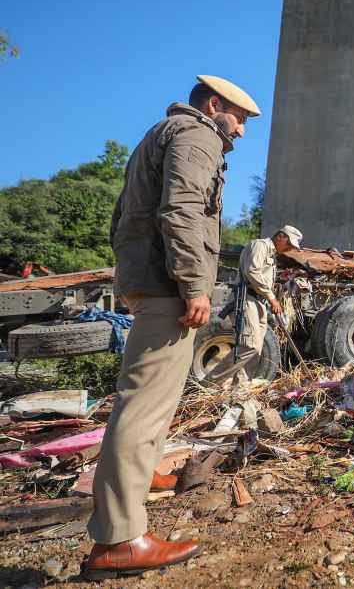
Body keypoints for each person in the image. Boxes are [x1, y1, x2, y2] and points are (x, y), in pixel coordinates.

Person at [84, 75, 261, 580]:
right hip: (168, 285)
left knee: (151, 399)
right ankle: (118, 540)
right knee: (142, 405)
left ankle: (135, 484)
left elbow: (128, 211)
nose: (242, 133)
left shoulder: (160, 131)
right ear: (213, 105)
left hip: (151, 279)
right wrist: (193, 285)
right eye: (241, 120)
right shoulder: (196, 134)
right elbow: (181, 210)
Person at [207, 226, 303, 385]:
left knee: (256, 349)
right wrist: (272, 298)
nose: (290, 248)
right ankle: (210, 383)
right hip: (247, 298)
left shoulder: (272, 254)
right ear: (280, 236)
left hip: (260, 302)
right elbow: (252, 272)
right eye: (289, 244)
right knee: (249, 345)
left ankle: (241, 387)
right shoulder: (260, 245)